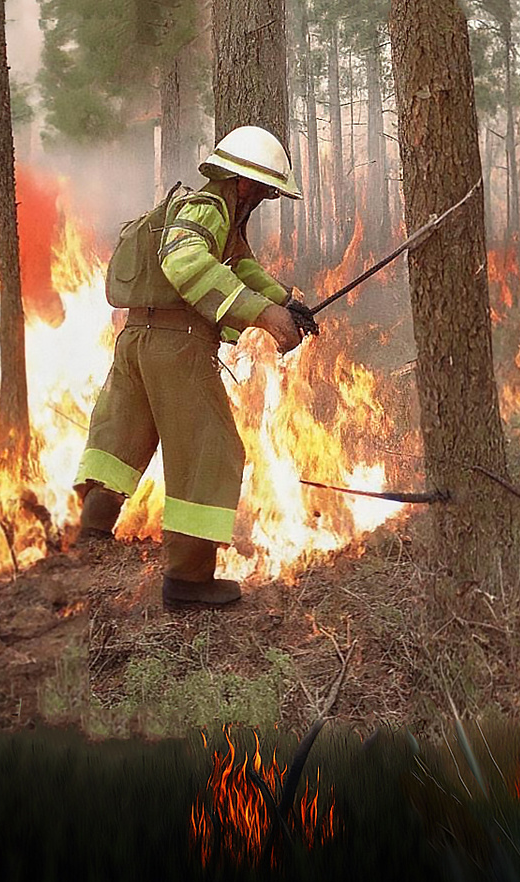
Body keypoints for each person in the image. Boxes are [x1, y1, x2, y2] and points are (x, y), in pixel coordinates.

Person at [74, 125, 308, 609]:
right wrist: (265, 315)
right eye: (265, 190)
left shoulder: (212, 215)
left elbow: (240, 267)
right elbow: (185, 265)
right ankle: (189, 578)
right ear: (244, 182)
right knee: (211, 451)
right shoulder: (207, 210)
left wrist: (285, 301)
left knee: (122, 437)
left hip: (138, 340)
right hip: (176, 346)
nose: (264, 199)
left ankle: (91, 531)